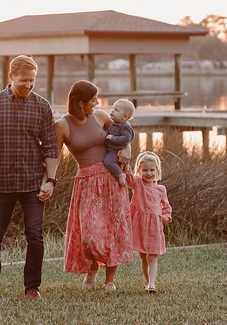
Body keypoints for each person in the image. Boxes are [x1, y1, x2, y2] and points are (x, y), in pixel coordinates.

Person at [0, 55, 58, 299]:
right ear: (11, 77)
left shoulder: (42, 106)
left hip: (33, 184)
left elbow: (50, 147)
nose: (28, 85)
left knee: (35, 235)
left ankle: (32, 287)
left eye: (32, 80)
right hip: (0, 182)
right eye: (24, 80)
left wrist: (50, 181)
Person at [55, 80, 134, 292]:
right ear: (80, 103)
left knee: (113, 229)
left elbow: (123, 131)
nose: (97, 103)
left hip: (112, 177)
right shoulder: (62, 125)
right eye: (92, 100)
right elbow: (54, 157)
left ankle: (110, 280)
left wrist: (127, 147)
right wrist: (49, 181)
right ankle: (92, 271)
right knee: (90, 234)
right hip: (86, 182)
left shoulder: (100, 116)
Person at [125, 151, 172, 294]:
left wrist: (166, 216)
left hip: (154, 227)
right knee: (143, 257)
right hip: (139, 226)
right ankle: (148, 282)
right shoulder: (137, 183)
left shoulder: (161, 189)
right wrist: (125, 162)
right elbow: (128, 177)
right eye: (144, 170)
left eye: (152, 170)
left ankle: (152, 284)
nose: (148, 173)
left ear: (157, 170)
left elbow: (166, 206)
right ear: (139, 170)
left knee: (152, 257)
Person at [103, 98, 135, 186]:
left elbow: (126, 139)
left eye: (116, 110)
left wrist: (112, 138)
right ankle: (123, 170)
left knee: (108, 162)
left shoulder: (125, 126)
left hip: (116, 151)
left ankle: (120, 175)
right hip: (111, 150)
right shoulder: (114, 123)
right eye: (112, 108)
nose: (112, 111)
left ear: (125, 116)